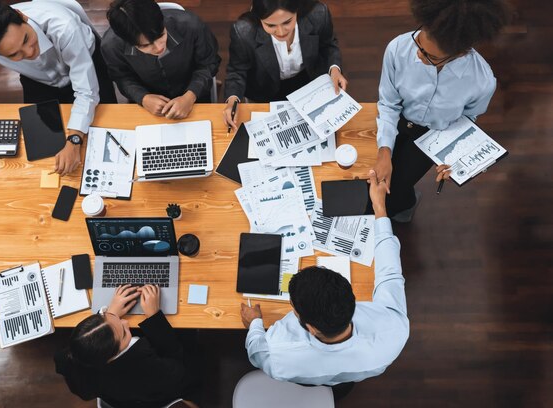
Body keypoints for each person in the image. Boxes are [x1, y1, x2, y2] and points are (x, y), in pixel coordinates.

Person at [240, 169, 409, 389]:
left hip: (307, 378)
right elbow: (390, 272)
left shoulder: (278, 355)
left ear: (309, 327)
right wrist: (379, 206)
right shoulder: (394, 330)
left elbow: (256, 350)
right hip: (360, 370)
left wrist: (254, 324)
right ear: (351, 300)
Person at [373, 0, 509, 222]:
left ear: (460, 53)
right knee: (377, 174)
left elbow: (467, 120)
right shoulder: (398, 49)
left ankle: (405, 205)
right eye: (419, 41)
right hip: (396, 121)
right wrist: (384, 151)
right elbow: (389, 104)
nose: (417, 55)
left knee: (397, 189)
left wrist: (451, 155)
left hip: (432, 136)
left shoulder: (482, 82)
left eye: (429, 56)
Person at [0, 0, 116, 179]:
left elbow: (86, 92)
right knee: (42, 148)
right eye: (14, 54)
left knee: (106, 133)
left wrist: (74, 140)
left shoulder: (64, 26)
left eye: (25, 39)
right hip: (39, 81)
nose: (29, 53)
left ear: (23, 17)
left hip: (87, 63)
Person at [54, 284, 200, 408]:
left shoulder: (69, 357)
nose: (126, 323)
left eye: (106, 317)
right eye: (123, 333)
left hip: (116, 397)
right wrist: (154, 317)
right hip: (157, 393)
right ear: (112, 356)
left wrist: (112, 313)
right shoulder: (150, 368)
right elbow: (181, 373)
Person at [223, 0, 346, 130]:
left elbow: (329, 45)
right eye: (271, 25)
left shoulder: (319, 14)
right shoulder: (243, 32)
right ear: (259, 19)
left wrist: (334, 69)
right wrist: (232, 99)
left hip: (308, 79)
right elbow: (237, 71)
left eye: (287, 22)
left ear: (297, 10)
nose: (281, 32)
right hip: (265, 88)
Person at [102, 0, 221, 119]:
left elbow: (208, 64)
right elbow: (122, 77)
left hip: (194, 93)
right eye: (145, 45)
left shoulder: (192, 26)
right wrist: (143, 98)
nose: (159, 48)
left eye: (161, 35)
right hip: (148, 102)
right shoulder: (111, 46)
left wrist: (190, 96)